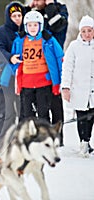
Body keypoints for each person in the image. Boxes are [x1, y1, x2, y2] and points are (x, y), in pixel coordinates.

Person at [2, 11, 63, 121]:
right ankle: (31, 137)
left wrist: (59, 82)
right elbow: (14, 61)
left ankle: (44, 136)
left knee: (43, 113)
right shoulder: (20, 41)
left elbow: (59, 59)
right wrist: (4, 80)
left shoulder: (48, 40)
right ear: (25, 26)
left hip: (44, 83)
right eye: (29, 25)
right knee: (27, 115)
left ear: (40, 25)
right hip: (26, 84)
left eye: (35, 25)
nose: (32, 28)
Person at [26, 0, 68, 146]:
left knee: (55, 104)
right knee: (40, 106)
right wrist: (29, 9)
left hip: (53, 63)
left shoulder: (60, 9)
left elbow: (58, 26)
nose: (36, 2)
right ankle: (42, 136)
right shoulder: (34, 12)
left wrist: (50, 5)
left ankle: (58, 137)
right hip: (37, 67)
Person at [61, 15, 94, 157]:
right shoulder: (74, 47)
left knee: (91, 117)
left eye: (90, 30)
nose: (87, 34)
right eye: (84, 31)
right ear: (80, 32)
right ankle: (83, 142)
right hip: (79, 89)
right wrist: (66, 87)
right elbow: (67, 68)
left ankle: (87, 141)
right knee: (82, 117)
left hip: (92, 90)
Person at [0, 1, 25, 144]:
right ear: (8, 17)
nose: (17, 18)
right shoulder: (0, 32)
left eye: (19, 15)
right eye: (14, 16)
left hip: (23, 78)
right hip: (4, 77)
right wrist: (10, 57)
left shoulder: (28, 30)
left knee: (22, 110)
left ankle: (21, 140)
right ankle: (1, 140)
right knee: (6, 111)